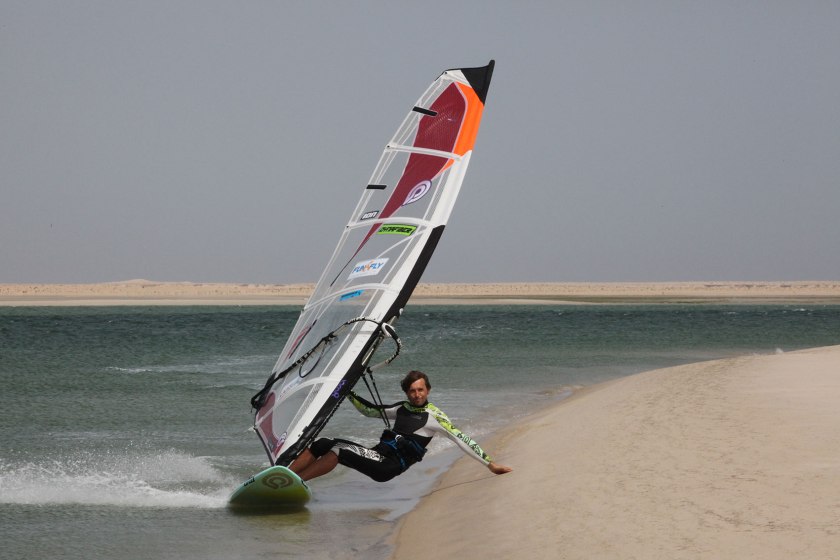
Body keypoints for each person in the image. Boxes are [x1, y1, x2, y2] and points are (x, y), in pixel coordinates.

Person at [289, 370, 513, 482]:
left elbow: (462, 440)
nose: (417, 394)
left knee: (339, 450)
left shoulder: (434, 417)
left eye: (421, 390)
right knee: (323, 444)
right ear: (407, 392)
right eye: (412, 391)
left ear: (428, 390)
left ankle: (295, 483)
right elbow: (369, 410)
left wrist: (491, 465)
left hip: (390, 466)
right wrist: (347, 390)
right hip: (377, 456)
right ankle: (284, 476)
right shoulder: (401, 408)